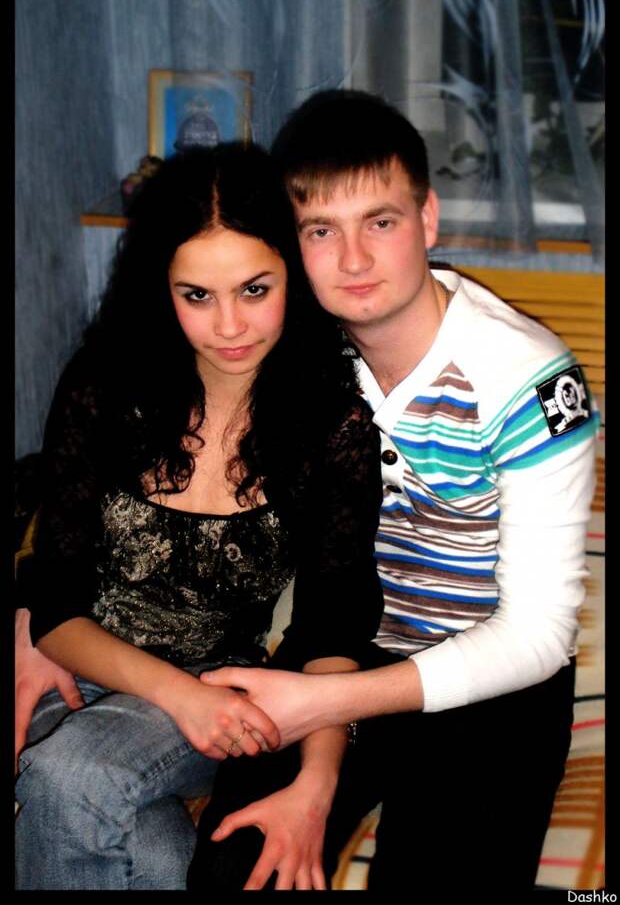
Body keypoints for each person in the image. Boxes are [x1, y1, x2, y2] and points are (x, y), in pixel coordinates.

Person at [187, 89, 599, 892]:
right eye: (320, 231)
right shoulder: (289, 353)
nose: (353, 260)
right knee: (238, 865)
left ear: (428, 218)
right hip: (341, 645)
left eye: (379, 221)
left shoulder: (530, 382)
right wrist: (41, 612)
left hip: (494, 684)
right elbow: (135, 436)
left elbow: (540, 633)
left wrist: (328, 704)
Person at [13, 141, 384, 890]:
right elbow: (55, 603)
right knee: (155, 858)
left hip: (216, 696)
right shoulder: (104, 389)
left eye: (254, 289)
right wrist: (175, 694)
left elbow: (333, 629)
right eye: (197, 296)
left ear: (293, 275)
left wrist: (318, 781)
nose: (229, 326)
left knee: (70, 776)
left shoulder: (332, 428)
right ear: (162, 290)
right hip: (81, 674)